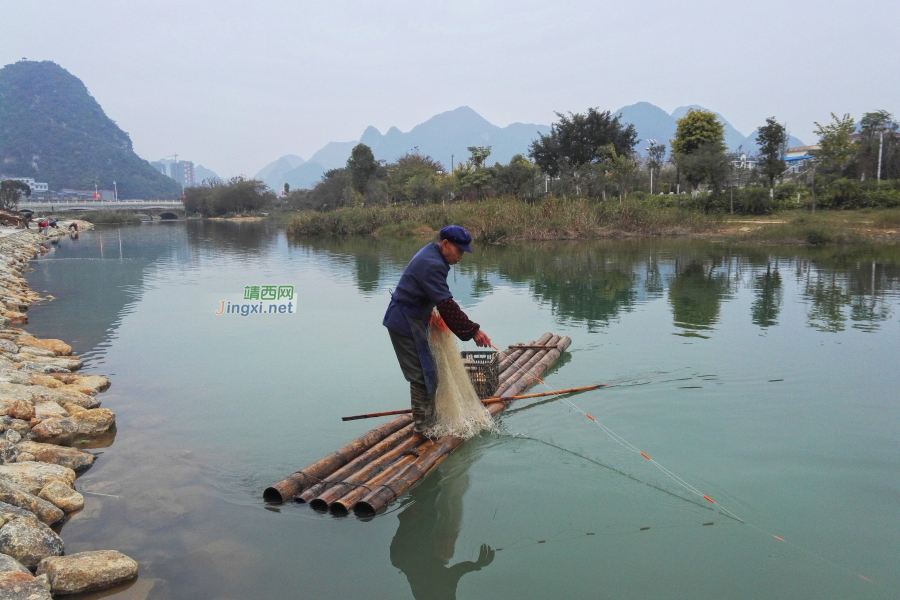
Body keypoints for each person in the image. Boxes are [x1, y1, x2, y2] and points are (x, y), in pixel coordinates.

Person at [383, 225, 491, 437]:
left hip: (416, 319)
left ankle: (428, 419)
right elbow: (447, 305)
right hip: (405, 323)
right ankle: (422, 428)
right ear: (445, 244)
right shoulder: (432, 264)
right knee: (422, 375)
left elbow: (430, 295)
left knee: (430, 371)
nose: (461, 256)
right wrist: (473, 331)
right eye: (459, 250)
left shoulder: (433, 254)